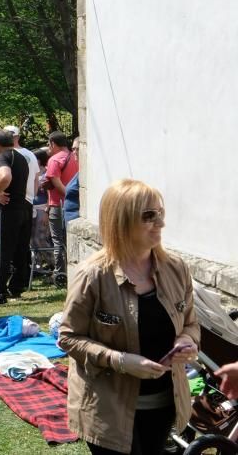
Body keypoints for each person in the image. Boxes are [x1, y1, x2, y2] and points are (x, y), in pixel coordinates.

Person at [59, 179, 199, 455]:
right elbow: (68, 338)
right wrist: (121, 361)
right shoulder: (93, 276)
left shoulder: (175, 268)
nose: (160, 223)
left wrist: (187, 340)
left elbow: (192, 323)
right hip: (108, 409)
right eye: (149, 216)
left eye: (160, 213)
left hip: (163, 403)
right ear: (121, 221)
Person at [0, 129, 32, 307]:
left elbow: (5, 175)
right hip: (23, 208)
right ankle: (17, 287)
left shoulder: (3, 157)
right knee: (20, 251)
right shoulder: (21, 158)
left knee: (1, 251)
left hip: (7, 210)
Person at [43, 131, 78, 279]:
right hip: (76, 203)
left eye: (48, 144)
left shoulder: (54, 160)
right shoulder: (76, 156)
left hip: (58, 204)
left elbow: (57, 183)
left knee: (58, 240)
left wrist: (69, 197)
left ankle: (60, 273)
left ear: (52, 143)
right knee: (71, 238)